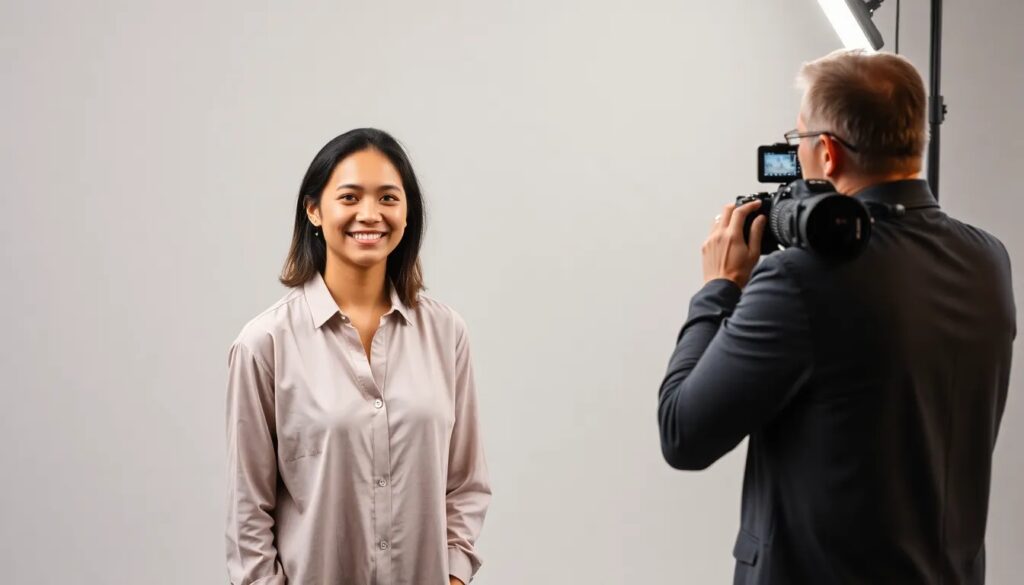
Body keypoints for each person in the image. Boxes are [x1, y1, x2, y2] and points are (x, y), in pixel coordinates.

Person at [657, 50, 1015, 585]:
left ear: (827, 152)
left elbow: (682, 433)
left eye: (798, 138)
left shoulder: (800, 279)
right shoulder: (988, 259)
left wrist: (718, 288)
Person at [226, 129, 491, 585]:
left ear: (407, 213)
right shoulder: (264, 344)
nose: (370, 214)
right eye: (349, 197)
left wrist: (454, 576)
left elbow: (466, 483)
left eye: (388, 198)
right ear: (314, 209)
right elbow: (247, 514)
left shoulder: (447, 333)